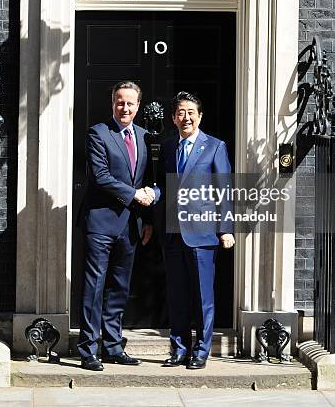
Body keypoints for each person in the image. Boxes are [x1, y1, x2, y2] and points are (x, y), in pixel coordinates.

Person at [77, 81, 156, 371]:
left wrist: (148, 215)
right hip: (100, 222)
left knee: (119, 288)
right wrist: (133, 194)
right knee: (94, 287)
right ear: (113, 104)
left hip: (131, 225)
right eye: (120, 102)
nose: (125, 108)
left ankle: (112, 346)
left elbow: (150, 180)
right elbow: (100, 176)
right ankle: (88, 349)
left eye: (130, 103)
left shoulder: (145, 137)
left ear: (138, 106)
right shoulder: (98, 133)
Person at [155, 91, 235, 370]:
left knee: (203, 297)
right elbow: (163, 188)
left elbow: (224, 190)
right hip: (173, 234)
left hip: (202, 234)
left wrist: (225, 228)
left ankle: (201, 351)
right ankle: (178, 349)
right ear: (173, 118)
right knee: (176, 295)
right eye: (180, 112)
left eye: (190, 112)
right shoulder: (167, 148)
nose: (185, 117)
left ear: (200, 116)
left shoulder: (214, 146)